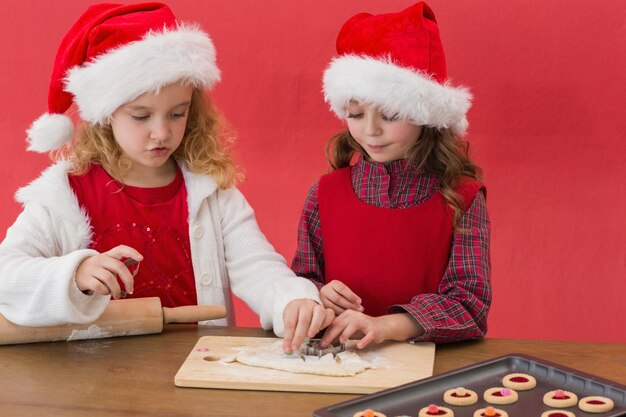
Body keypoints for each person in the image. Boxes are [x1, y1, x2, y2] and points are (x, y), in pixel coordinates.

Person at [0, 2, 332, 351]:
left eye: (177, 113)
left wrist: (292, 301)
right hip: (95, 379)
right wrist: (75, 275)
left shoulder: (210, 190)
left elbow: (257, 266)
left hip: (196, 369)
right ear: (105, 114)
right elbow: (6, 274)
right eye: (141, 116)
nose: (162, 132)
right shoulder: (64, 194)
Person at [292, 2, 491, 348]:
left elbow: (469, 307)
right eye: (355, 114)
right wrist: (317, 296)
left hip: (429, 375)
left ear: (424, 114)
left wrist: (385, 326)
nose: (370, 130)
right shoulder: (324, 194)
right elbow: (301, 281)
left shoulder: (462, 198)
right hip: (340, 365)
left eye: (391, 115)